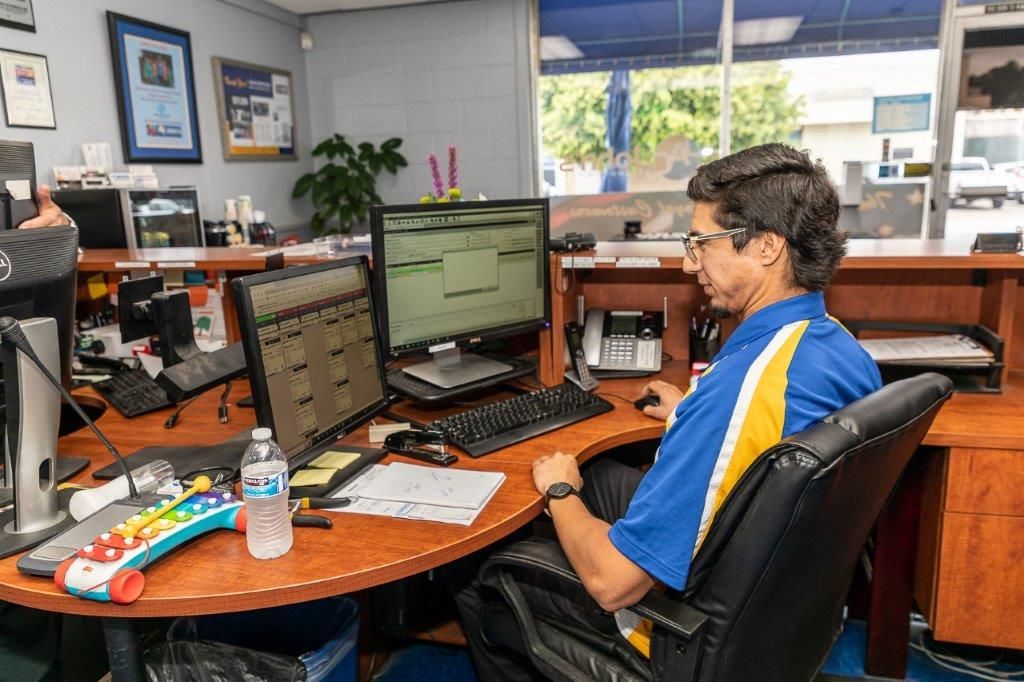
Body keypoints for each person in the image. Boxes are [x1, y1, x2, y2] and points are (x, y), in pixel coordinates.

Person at [447, 143, 883, 680]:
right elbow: (757, 441)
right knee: (604, 473)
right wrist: (689, 415)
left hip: (681, 636)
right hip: (775, 595)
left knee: (479, 571)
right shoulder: (837, 347)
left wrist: (561, 491)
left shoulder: (743, 391)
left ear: (767, 246)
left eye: (700, 242)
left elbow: (612, 584)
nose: (687, 261)